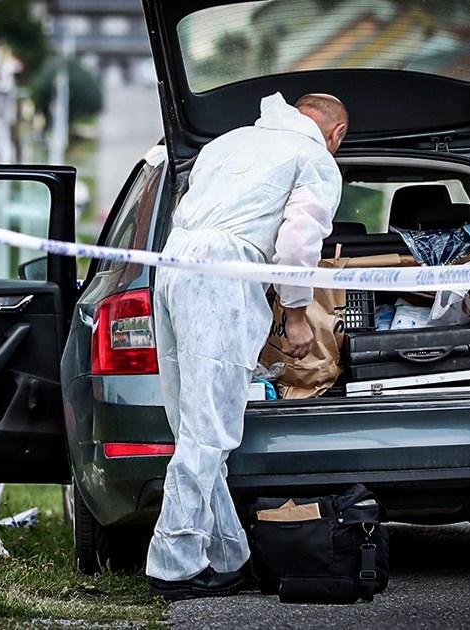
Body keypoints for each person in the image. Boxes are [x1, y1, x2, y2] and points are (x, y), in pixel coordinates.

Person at [146, 92, 348, 601]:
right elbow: (299, 242)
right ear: (337, 133)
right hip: (223, 274)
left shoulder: (227, 142)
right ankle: (172, 564)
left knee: (193, 424)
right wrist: (297, 314)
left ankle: (227, 556)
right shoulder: (314, 158)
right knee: (209, 429)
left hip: (172, 265)